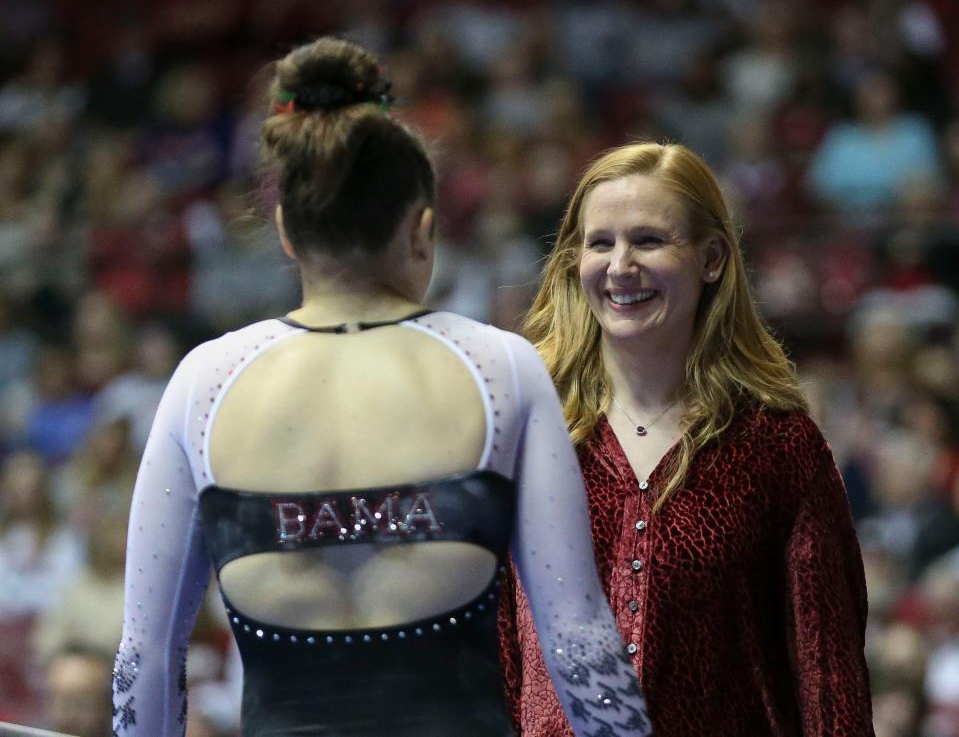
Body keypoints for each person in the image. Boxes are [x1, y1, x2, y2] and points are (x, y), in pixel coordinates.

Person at [111, 36, 652, 736]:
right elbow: (578, 642)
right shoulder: (499, 369)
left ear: (285, 231)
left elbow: (145, 657)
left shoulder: (204, 382)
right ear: (421, 230)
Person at [498, 142, 874, 735]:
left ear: (713, 258)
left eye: (648, 240)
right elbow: (494, 663)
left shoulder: (777, 447)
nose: (621, 265)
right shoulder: (527, 434)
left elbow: (831, 680)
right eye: (600, 243)